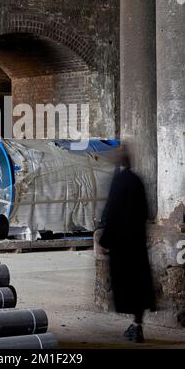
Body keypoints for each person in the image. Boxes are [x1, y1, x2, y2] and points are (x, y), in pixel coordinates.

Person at [99, 144, 156, 343]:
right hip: (137, 244)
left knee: (127, 286)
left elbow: (112, 212)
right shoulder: (137, 180)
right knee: (139, 287)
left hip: (122, 245)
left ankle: (135, 328)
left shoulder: (119, 181)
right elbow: (146, 212)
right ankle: (137, 324)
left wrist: (105, 239)